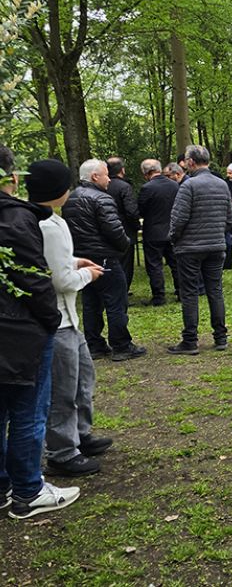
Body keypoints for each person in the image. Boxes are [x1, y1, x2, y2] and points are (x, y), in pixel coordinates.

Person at [0, 148, 82, 519]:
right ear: (11, 178)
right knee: (30, 412)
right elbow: (35, 280)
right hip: (22, 330)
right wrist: (51, 319)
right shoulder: (19, 219)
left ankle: (4, 485)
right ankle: (30, 490)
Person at [31, 160, 111, 477]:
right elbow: (60, 281)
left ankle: (80, 435)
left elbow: (57, 264)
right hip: (57, 320)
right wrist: (88, 276)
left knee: (83, 380)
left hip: (71, 320)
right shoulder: (46, 226)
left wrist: (76, 261)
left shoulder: (55, 220)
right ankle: (62, 452)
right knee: (63, 389)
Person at [63, 159, 146, 361]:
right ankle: (121, 345)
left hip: (82, 259)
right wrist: (126, 243)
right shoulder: (102, 199)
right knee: (116, 301)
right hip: (105, 258)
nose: (109, 178)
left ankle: (95, 344)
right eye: (106, 174)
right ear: (95, 176)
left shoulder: (70, 199)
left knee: (91, 302)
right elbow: (115, 231)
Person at [168, 145, 232, 354]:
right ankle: (220, 337)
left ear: (190, 162)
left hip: (190, 248)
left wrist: (174, 238)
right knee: (215, 291)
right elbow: (229, 218)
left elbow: (178, 219)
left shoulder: (188, 186)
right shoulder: (222, 184)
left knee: (189, 293)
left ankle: (190, 340)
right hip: (216, 246)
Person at [137, 159, 180, 306]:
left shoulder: (147, 188)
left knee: (154, 265)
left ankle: (159, 296)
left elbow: (140, 210)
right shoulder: (175, 185)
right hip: (173, 231)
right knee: (176, 264)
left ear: (147, 173)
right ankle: (181, 292)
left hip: (153, 232)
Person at [105, 157, 140, 292]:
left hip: (106, 231)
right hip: (125, 231)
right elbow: (131, 211)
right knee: (125, 264)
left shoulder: (102, 186)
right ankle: (123, 291)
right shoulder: (124, 187)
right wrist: (136, 225)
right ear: (122, 170)